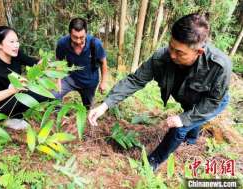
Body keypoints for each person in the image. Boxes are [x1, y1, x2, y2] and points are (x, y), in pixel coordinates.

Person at [88, 13, 231, 170]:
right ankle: (191, 140)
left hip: (212, 102)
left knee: (180, 126)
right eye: (171, 46)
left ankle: (153, 162)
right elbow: (135, 80)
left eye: (180, 52)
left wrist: (183, 119)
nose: (172, 55)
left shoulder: (219, 66)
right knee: (191, 115)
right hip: (189, 100)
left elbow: (212, 102)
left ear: (199, 52)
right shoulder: (162, 57)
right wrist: (105, 105)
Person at [0, 26, 49, 129]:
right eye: (11, 42)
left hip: (15, 96)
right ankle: (3, 120)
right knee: (35, 95)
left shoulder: (15, 55)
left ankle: (15, 116)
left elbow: (35, 63)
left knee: (44, 95)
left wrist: (48, 64)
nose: (16, 45)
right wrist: (12, 90)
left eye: (17, 41)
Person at [54, 17, 108, 110]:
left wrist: (103, 82)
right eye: (75, 37)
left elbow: (103, 63)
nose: (78, 41)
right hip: (70, 78)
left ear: (86, 33)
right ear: (70, 34)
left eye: (81, 37)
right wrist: (58, 81)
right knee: (54, 96)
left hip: (89, 82)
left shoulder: (95, 44)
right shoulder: (62, 43)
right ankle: (57, 115)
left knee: (88, 108)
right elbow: (58, 61)